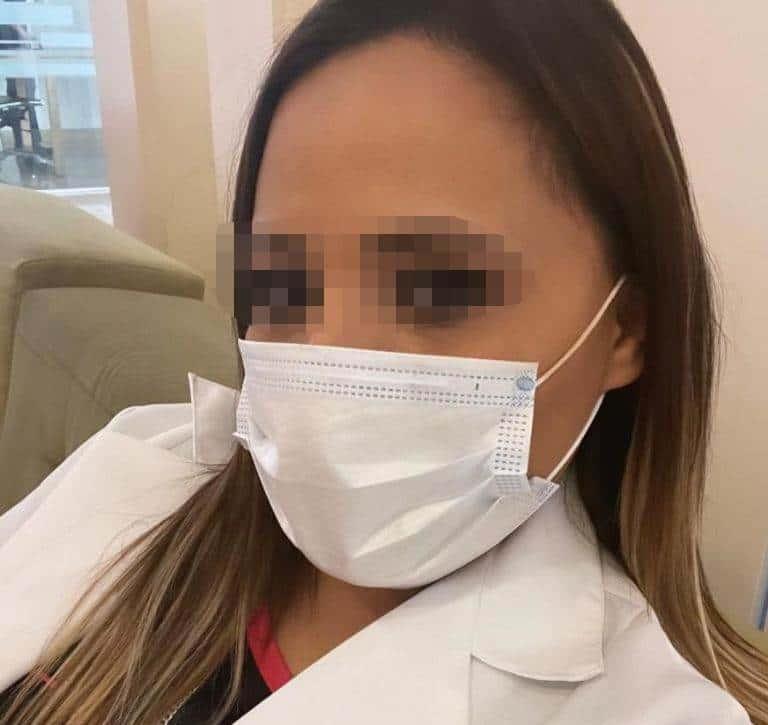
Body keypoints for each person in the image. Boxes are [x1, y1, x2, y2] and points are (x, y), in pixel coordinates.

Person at [0, 0, 766, 723]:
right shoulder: (139, 467)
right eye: (281, 281)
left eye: (437, 287)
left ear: (625, 329)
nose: (326, 350)